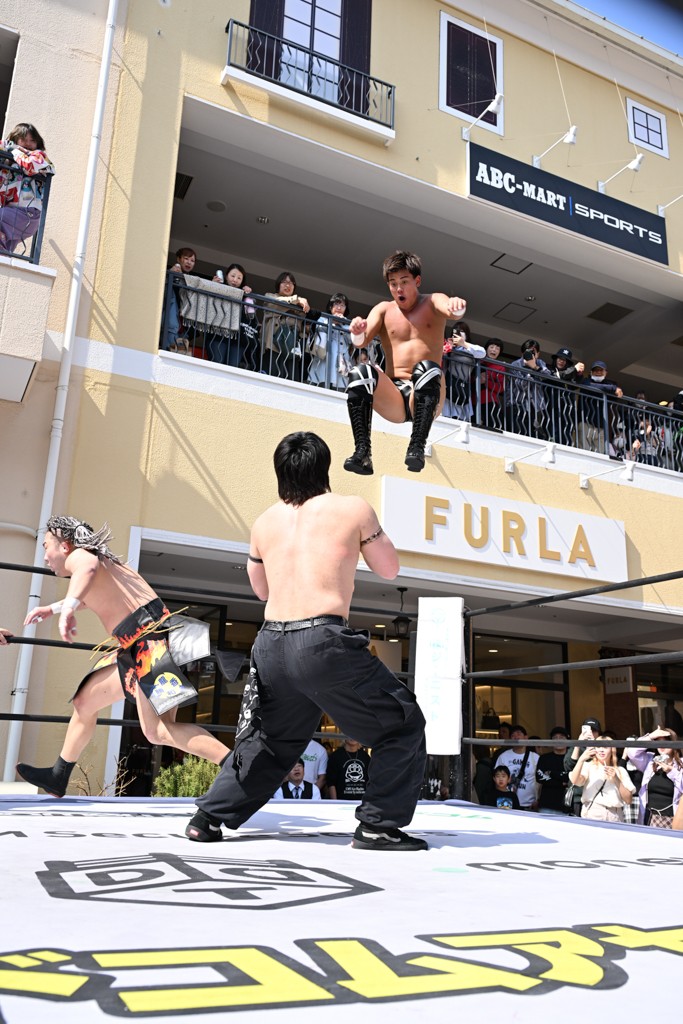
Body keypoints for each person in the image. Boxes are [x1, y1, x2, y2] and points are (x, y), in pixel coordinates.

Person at [185, 431, 428, 850]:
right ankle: (378, 825)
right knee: (403, 725)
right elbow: (389, 569)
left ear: (280, 471)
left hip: (270, 643)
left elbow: (261, 590)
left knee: (273, 741)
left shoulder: (264, 522)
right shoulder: (352, 508)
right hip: (322, 640)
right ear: (324, 466)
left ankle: (207, 818)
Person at [17, 516, 229, 797]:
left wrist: (67, 609)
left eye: (46, 547)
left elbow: (86, 569)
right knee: (85, 701)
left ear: (65, 546)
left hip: (150, 644)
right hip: (141, 644)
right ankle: (58, 775)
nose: (45, 556)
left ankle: (238, 767)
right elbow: (91, 592)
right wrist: (54, 608)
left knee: (158, 731)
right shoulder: (102, 563)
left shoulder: (83, 557)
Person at [343, 251, 466, 474]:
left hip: (428, 392)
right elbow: (361, 341)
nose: (398, 288)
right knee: (359, 373)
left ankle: (417, 447)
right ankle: (363, 453)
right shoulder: (383, 309)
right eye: (393, 284)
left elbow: (450, 309)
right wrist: (357, 331)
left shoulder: (432, 301)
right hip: (396, 397)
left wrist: (457, 306)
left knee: (426, 368)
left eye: (404, 282)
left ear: (417, 281)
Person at [0, 123, 55, 254]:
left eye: (32, 140)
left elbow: (30, 165)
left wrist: (15, 150)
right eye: (24, 140)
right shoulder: (9, 162)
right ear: (15, 139)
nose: (28, 144)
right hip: (11, 213)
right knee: (5, 252)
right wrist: (7, 147)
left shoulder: (39, 156)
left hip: (28, 214)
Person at [568, 732, 635, 822]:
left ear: (612, 750)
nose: (601, 750)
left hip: (614, 815)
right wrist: (581, 759)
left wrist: (616, 779)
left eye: (605, 747)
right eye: (598, 747)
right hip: (592, 812)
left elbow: (628, 800)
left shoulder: (620, 770)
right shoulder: (588, 766)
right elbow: (575, 781)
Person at [624, 727, 683, 827]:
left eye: (666, 742)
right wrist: (651, 736)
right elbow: (632, 752)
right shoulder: (650, 760)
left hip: (672, 819)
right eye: (658, 742)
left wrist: (672, 772)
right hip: (650, 818)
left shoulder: (680, 763)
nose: (661, 745)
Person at [263, 272, 311, 381]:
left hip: (292, 346)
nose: (288, 285)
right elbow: (278, 303)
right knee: (272, 377)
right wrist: (298, 300)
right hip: (273, 344)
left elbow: (303, 322)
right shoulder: (270, 296)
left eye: (291, 283)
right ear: (278, 284)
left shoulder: (299, 306)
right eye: (284, 282)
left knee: (292, 379)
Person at [307, 293, 354, 391]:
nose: (339, 308)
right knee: (318, 388)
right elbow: (317, 333)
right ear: (330, 306)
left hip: (341, 364)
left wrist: (342, 324)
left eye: (342, 305)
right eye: (336, 304)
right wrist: (332, 322)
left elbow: (352, 340)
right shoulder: (322, 319)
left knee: (339, 390)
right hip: (323, 360)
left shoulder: (347, 325)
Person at [507, 340, 551, 439]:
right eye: (528, 352)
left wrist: (535, 367)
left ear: (538, 354)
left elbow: (548, 377)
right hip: (518, 404)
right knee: (520, 434)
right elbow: (522, 385)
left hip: (537, 406)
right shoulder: (516, 364)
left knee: (536, 436)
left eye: (533, 352)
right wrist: (530, 371)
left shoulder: (540, 362)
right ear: (522, 353)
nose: (531, 355)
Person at [441, 322, 485, 420]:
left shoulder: (470, 348)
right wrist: (448, 348)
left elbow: (482, 353)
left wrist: (463, 344)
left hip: (463, 386)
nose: (459, 334)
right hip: (449, 384)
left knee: (461, 418)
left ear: (467, 334)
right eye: (456, 331)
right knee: (447, 415)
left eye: (462, 331)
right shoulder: (450, 347)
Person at [577, 360, 623, 453]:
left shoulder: (608, 385)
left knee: (600, 453)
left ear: (606, 372)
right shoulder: (586, 381)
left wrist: (614, 389)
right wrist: (613, 388)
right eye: (595, 370)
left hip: (601, 426)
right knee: (584, 452)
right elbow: (590, 386)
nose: (598, 372)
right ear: (591, 372)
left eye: (601, 370)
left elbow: (616, 396)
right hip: (586, 422)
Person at [494, 725, 539, 810]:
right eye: (512, 735)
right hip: (506, 803)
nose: (516, 737)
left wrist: (538, 800)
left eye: (519, 734)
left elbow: (541, 782)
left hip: (529, 805)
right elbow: (497, 779)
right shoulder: (503, 757)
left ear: (526, 738)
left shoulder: (535, 758)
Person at [161, 247, 197, 352]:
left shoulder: (193, 281)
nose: (189, 262)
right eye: (186, 258)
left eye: (192, 260)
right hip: (171, 322)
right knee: (170, 350)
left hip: (185, 325)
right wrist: (169, 275)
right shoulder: (168, 273)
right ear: (178, 259)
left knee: (180, 353)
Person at [547, 348, 584, 446]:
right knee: (553, 436)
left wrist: (579, 374)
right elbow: (559, 376)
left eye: (564, 360)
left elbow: (576, 385)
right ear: (555, 359)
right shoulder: (548, 369)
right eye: (560, 358)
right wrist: (574, 369)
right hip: (552, 409)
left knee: (566, 437)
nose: (561, 361)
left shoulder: (570, 374)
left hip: (567, 412)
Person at [535, 727, 571, 815]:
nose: (558, 740)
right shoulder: (544, 758)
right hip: (547, 805)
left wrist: (551, 773)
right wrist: (561, 782)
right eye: (555, 737)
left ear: (568, 740)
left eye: (562, 737)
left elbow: (571, 777)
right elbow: (539, 777)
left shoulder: (572, 759)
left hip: (568, 805)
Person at [479, 338, 506, 431]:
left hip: (490, 401)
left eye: (497, 348)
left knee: (491, 428)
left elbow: (501, 388)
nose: (494, 350)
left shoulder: (500, 367)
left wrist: (486, 382)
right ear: (486, 349)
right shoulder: (478, 362)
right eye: (491, 347)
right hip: (474, 400)